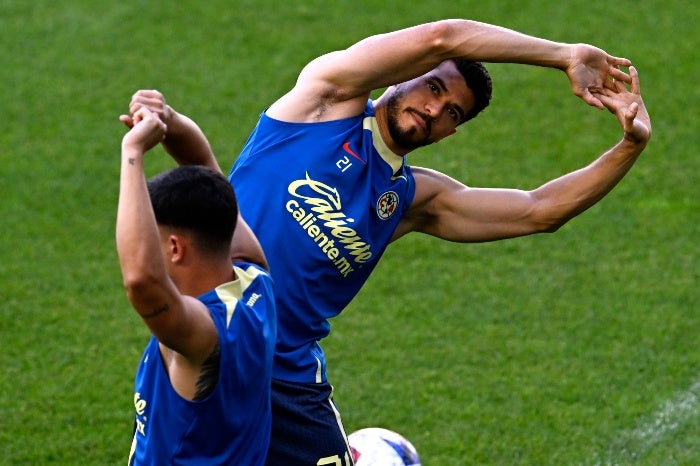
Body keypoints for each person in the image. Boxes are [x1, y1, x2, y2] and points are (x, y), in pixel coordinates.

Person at [125, 18, 651, 466]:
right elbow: (443, 37)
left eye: (453, 114)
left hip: (287, 373)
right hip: (213, 336)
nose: (434, 110)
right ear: (405, 75)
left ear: (452, 133)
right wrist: (561, 55)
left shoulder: (411, 198)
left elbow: (539, 210)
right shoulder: (323, 101)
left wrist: (629, 146)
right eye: (434, 88)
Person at [116, 107, 276, 465]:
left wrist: (132, 154)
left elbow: (142, 280)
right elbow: (204, 164)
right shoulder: (256, 280)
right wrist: (167, 119)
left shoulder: (202, 337)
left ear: (174, 248)